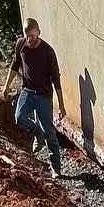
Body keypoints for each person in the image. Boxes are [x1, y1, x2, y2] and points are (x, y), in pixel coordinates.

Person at [9, 18, 64, 177]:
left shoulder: (47, 51)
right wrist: (6, 87)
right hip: (27, 91)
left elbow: (56, 80)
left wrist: (61, 106)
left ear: (39, 32)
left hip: (43, 95)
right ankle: (37, 134)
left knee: (49, 132)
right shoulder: (21, 44)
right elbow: (14, 65)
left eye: (33, 36)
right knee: (19, 118)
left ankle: (55, 167)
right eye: (27, 36)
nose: (30, 39)